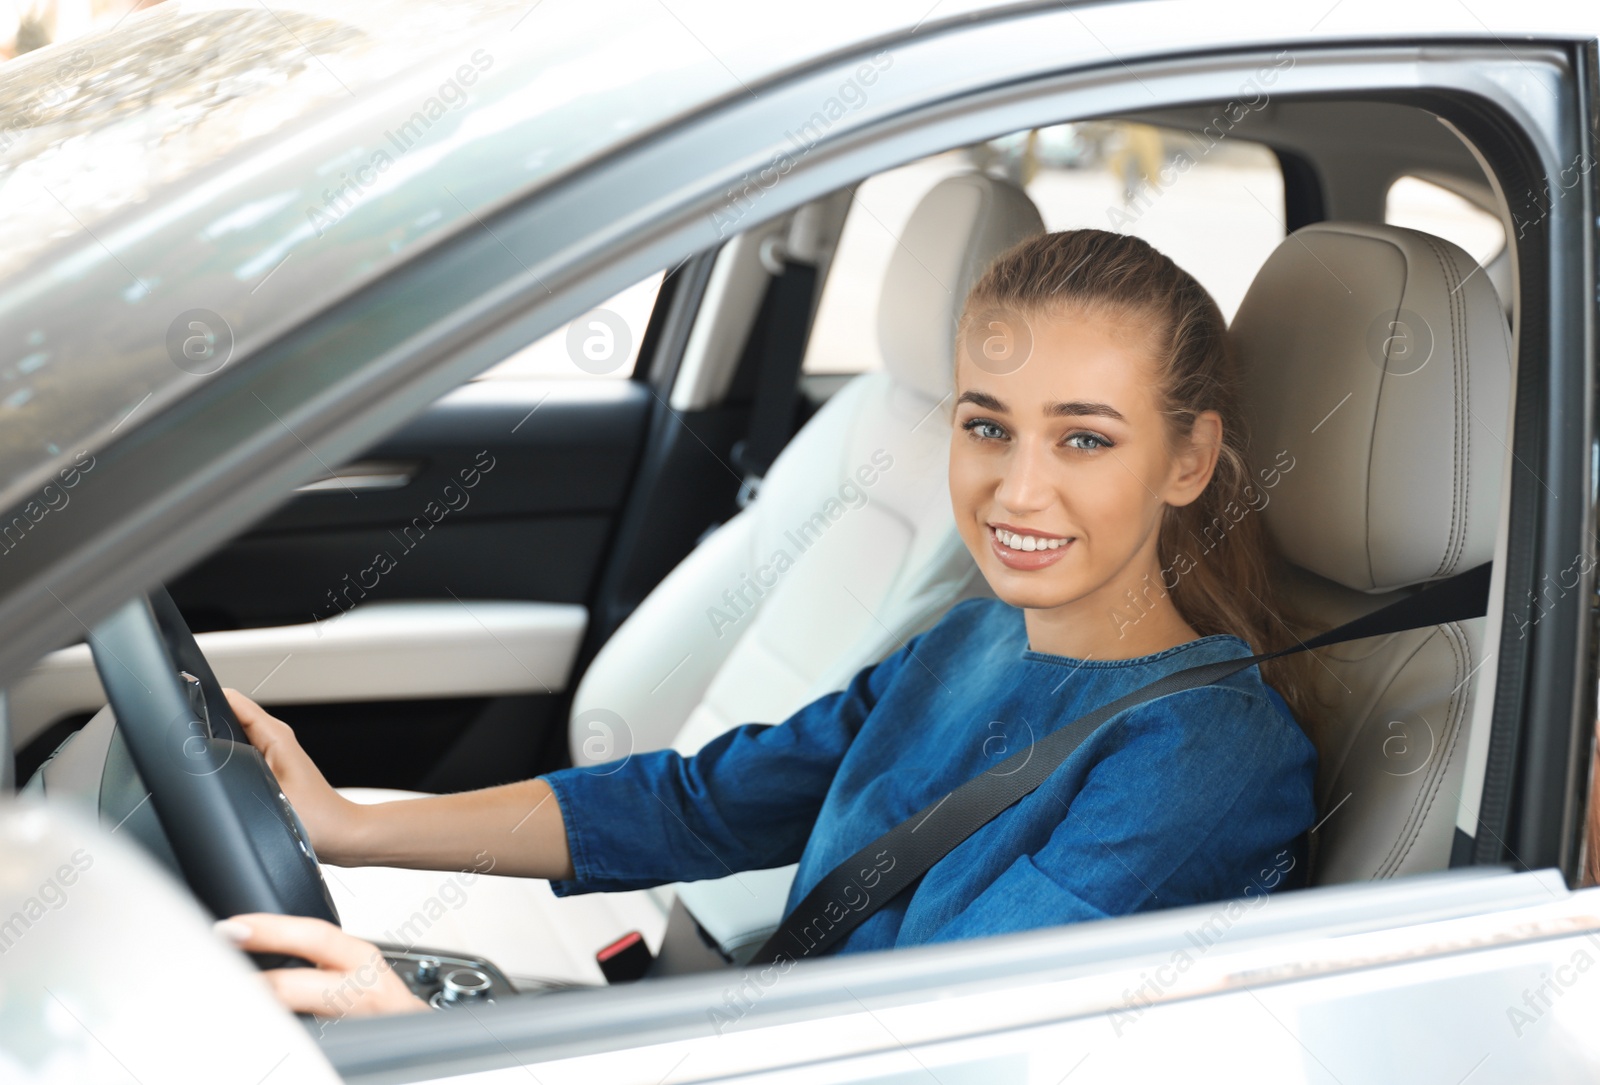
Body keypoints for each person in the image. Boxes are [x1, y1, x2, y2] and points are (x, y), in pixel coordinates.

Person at [220, 227, 1320, 1018]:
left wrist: (430, 1041)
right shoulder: (968, 641)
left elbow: (935, 1050)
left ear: (1185, 460)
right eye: (987, 427)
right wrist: (351, 823)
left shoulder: (1208, 753)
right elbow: (701, 805)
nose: (1017, 490)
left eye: (1083, 439)